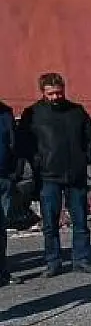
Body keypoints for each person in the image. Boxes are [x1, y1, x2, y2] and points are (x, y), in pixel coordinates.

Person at [15, 73, 91, 276]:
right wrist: (38, 162)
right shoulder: (33, 114)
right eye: (51, 93)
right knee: (50, 224)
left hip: (76, 176)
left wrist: (85, 158)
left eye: (59, 92)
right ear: (43, 92)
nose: (55, 97)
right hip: (48, 177)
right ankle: (53, 262)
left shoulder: (76, 111)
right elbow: (23, 143)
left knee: (80, 221)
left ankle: (81, 259)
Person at [0, 98, 21, 285]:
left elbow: (14, 144)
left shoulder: (5, 113)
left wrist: (14, 173)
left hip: (3, 178)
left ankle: (2, 272)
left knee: (1, 228)